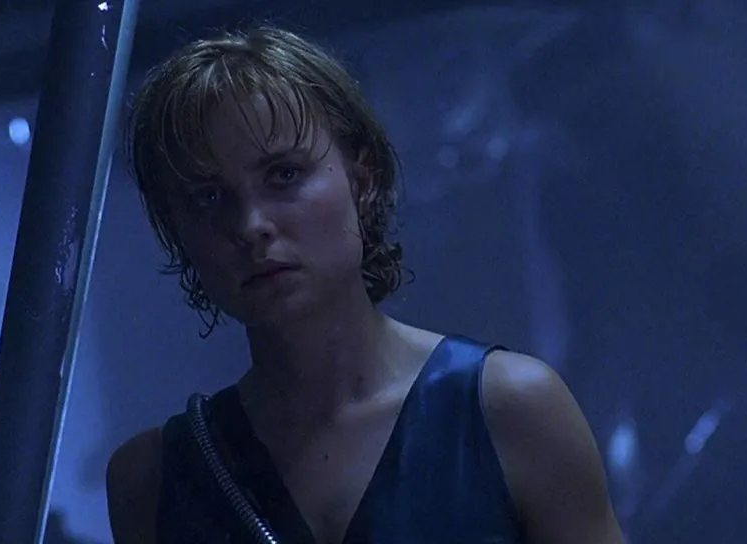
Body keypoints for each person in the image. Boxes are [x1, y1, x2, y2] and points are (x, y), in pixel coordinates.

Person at [104, 26, 624, 544]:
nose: (251, 224)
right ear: (176, 230)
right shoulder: (152, 478)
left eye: (284, 175)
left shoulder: (511, 411)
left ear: (362, 180)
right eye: (208, 197)